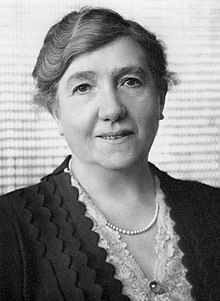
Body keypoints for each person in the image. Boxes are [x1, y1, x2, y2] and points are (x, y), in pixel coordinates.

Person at [0, 6, 219, 301]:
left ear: (160, 99)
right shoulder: (8, 228)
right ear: (56, 112)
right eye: (83, 87)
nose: (113, 109)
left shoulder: (213, 210)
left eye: (130, 81)